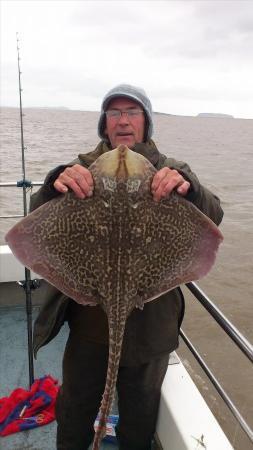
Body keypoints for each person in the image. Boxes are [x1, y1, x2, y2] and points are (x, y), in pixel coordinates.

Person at [31, 84, 223, 450]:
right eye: (114, 113)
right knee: (74, 408)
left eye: (132, 112)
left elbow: (214, 214)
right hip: (89, 319)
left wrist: (191, 189)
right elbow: (36, 215)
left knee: (139, 416)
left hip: (151, 326)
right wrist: (54, 184)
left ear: (146, 123)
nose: (123, 120)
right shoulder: (81, 169)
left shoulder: (171, 171)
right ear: (104, 124)